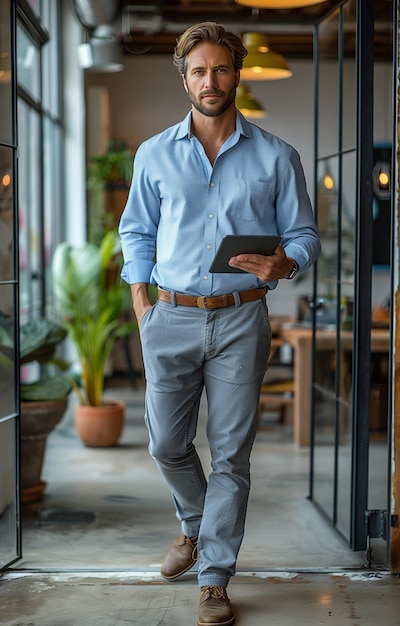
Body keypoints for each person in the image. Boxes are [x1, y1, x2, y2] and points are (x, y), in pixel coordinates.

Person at [119, 21, 321, 626]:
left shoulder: (277, 156)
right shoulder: (153, 153)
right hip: (170, 316)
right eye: (199, 70)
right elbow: (137, 230)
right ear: (184, 77)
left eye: (222, 68)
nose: (211, 80)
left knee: (232, 455)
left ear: (238, 73)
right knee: (166, 443)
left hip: (241, 320)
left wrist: (288, 261)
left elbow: (305, 234)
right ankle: (193, 526)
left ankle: (214, 578)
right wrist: (140, 301)